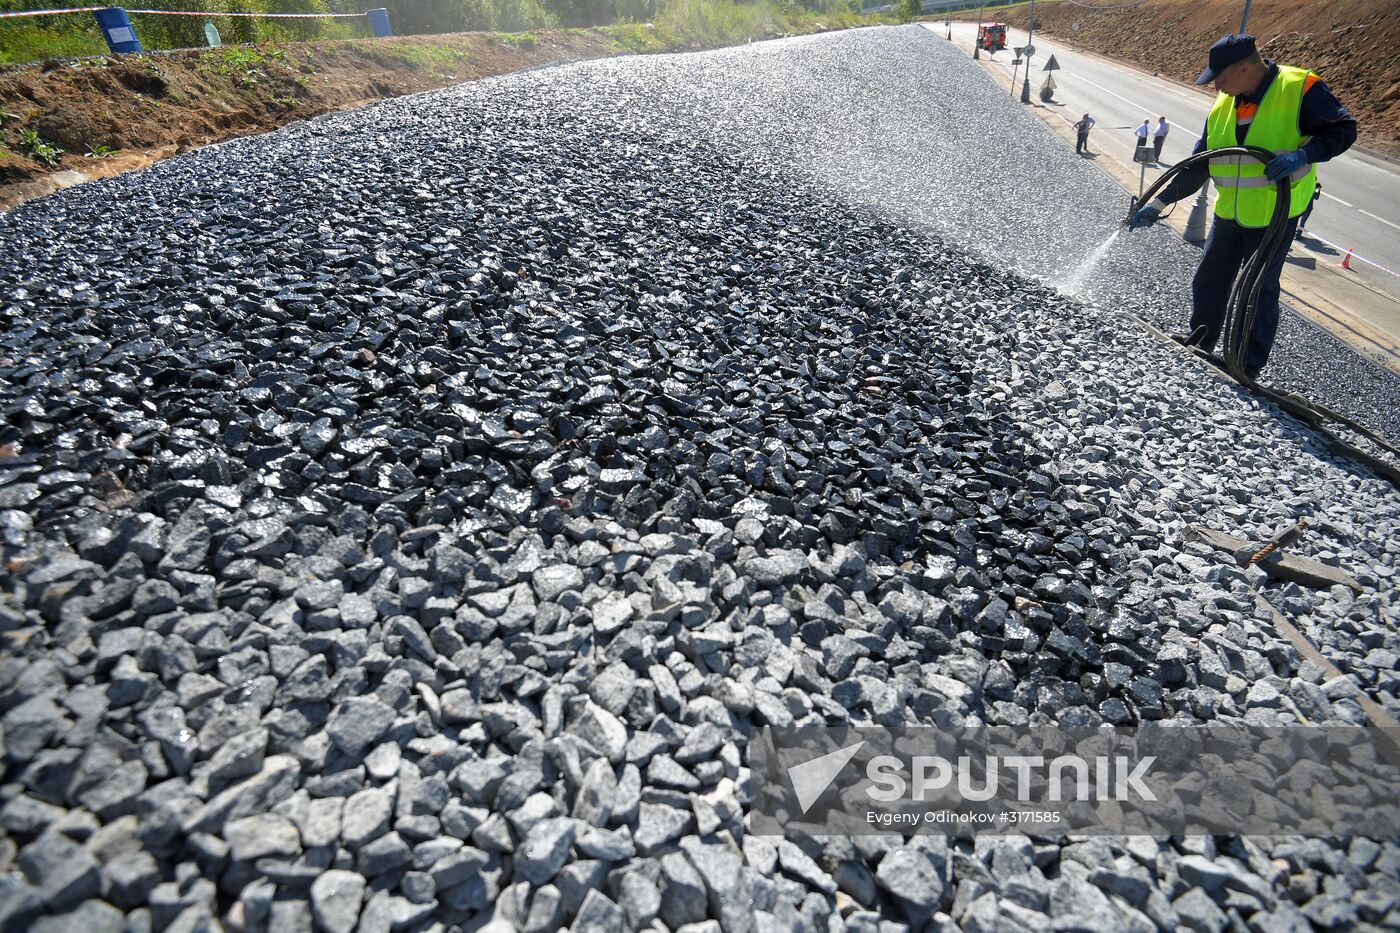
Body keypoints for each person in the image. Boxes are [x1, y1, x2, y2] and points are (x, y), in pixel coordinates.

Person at [1127, 34, 1356, 379]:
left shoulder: (1300, 88)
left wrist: (1303, 155)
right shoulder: (1225, 103)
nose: (1216, 86)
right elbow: (1200, 164)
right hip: (1229, 212)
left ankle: (1246, 364)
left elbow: (1344, 130)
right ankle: (1200, 340)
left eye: (1219, 77)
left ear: (1243, 68)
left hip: (1274, 215)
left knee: (1258, 288)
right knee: (1210, 278)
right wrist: (1158, 203)